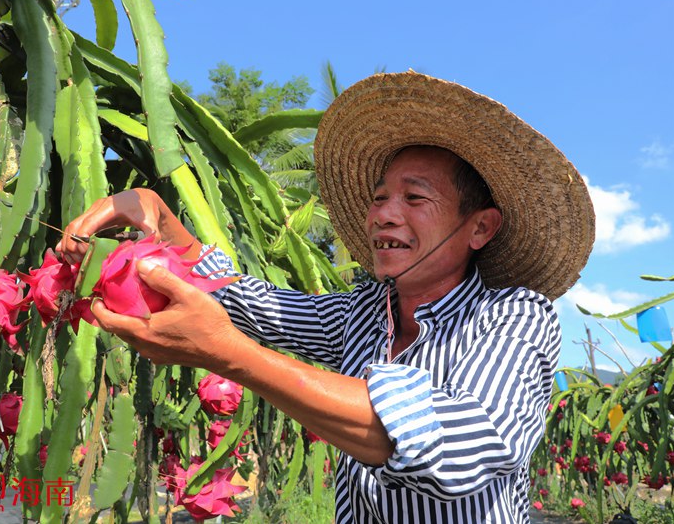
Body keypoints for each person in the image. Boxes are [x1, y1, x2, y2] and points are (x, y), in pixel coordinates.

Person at [58, 72, 595, 523]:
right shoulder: (359, 313)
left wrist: (230, 357)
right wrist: (161, 216)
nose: (384, 212)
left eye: (415, 197)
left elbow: (461, 448)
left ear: (479, 228)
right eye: (380, 196)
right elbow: (243, 301)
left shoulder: (516, 316)